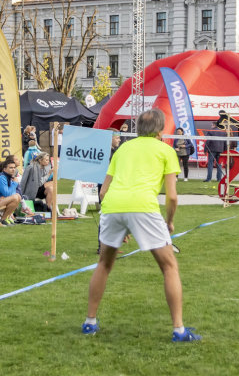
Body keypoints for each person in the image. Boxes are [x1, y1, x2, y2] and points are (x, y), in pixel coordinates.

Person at [83, 108, 200, 342]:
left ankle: (89, 322)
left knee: (104, 264)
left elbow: (103, 191)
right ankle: (179, 330)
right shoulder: (166, 150)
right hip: (142, 207)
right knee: (169, 267)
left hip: (114, 206)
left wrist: (120, 223)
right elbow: (173, 196)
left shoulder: (123, 148)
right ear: (160, 130)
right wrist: (170, 221)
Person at [19, 151, 58, 215]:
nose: (48, 161)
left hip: (39, 189)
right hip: (31, 191)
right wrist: (20, 194)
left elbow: (46, 179)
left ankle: (47, 209)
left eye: (48, 160)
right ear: (40, 160)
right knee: (52, 185)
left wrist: (52, 173)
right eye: (46, 160)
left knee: (51, 188)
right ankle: (48, 209)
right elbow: (24, 182)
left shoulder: (45, 167)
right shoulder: (31, 167)